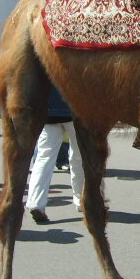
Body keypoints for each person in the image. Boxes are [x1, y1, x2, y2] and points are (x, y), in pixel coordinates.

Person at [25, 84, 85, 223]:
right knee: (78, 157)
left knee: (43, 159)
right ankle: (80, 199)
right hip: (74, 110)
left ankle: (36, 203)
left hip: (49, 111)